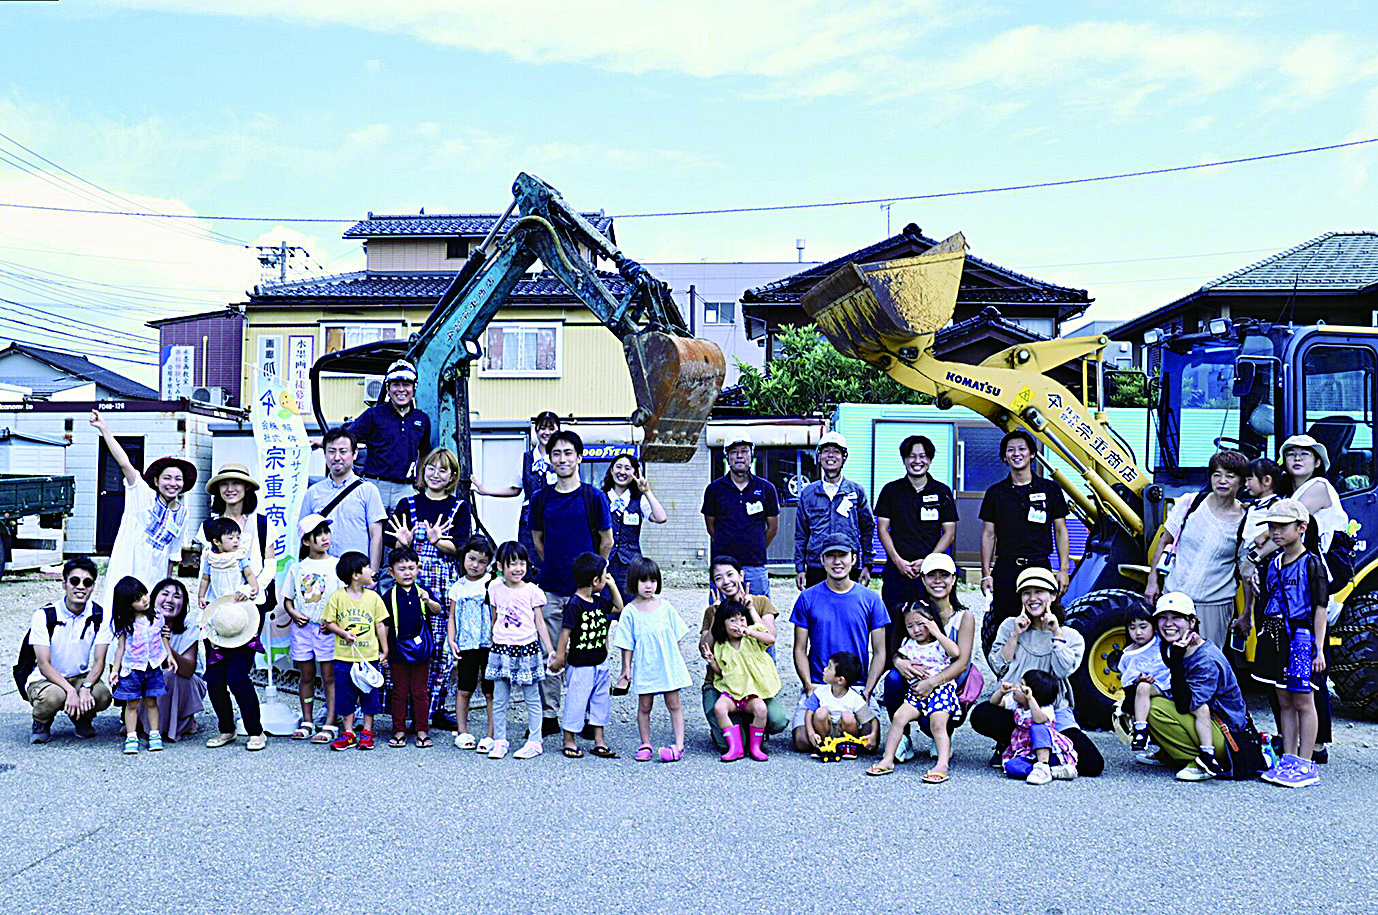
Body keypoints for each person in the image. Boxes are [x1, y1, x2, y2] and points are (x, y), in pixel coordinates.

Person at [971, 567, 1105, 777]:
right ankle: (1017, 745)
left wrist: (1056, 633)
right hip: (1015, 708)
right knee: (981, 715)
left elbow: (1063, 670)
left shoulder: (1070, 636)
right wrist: (1015, 635)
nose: (1032, 598)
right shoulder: (1009, 626)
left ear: (1052, 596)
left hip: (1053, 712)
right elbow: (998, 665)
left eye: (1039, 592)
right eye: (1026, 593)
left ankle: (1034, 753)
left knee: (1092, 764)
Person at [529, 429, 613, 736]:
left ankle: (589, 717)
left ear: (579, 458)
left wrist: (595, 577)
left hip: (587, 593)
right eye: (556, 454)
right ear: (549, 459)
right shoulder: (541, 498)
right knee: (550, 652)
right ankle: (550, 714)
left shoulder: (593, 497)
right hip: (551, 587)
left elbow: (606, 540)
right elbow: (539, 541)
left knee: (589, 655)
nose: (562, 459)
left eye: (568, 453)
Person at [386, 446, 470, 732]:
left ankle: (435, 708)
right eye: (431, 468)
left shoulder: (459, 507)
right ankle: (404, 707)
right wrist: (403, 541)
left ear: (452, 476)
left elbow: (460, 546)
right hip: (409, 583)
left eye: (443, 470)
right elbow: (396, 549)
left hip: (442, 585)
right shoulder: (406, 504)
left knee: (441, 648)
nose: (435, 474)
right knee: (406, 642)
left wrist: (437, 541)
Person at [1276, 433, 1347, 763]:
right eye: (1291, 454)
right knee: (1294, 668)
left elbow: (1284, 526)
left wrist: (1251, 554)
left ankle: (1315, 745)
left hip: (1316, 579)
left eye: (1306, 454)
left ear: (1318, 462)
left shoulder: (1317, 487)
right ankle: (1300, 743)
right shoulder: (1293, 492)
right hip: (1298, 580)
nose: (1298, 459)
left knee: (1312, 667)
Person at [1251, 499, 1327, 788]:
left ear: (1301, 527)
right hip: (1274, 633)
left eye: (1282, 526)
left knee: (1303, 699)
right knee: (1283, 698)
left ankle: (1306, 763)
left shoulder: (1312, 564)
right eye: (1272, 526)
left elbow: (1320, 606)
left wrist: (1318, 648)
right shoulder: (1272, 563)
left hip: (1301, 636)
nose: (1276, 532)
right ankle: (1289, 757)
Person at [789, 534, 888, 753]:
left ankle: (838, 739)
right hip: (819, 683)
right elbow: (799, 648)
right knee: (802, 741)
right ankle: (832, 739)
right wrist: (808, 686)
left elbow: (880, 652)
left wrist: (869, 690)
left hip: (857, 686)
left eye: (842, 555)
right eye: (830, 556)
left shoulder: (871, 599)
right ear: (822, 560)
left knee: (871, 742)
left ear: (853, 559)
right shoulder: (808, 597)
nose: (837, 562)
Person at [90, 410, 196, 609]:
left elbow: (173, 554)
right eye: (167, 478)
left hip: (155, 577)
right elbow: (124, 463)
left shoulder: (183, 513)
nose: (172, 483)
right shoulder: (142, 495)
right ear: (156, 481)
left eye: (178, 479)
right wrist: (104, 429)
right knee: (119, 617)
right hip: (127, 568)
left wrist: (167, 586)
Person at [1141, 592, 1251, 782]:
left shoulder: (1205, 659)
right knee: (1139, 698)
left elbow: (1188, 705)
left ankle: (1202, 761)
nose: (1168, 624)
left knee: (1154, 709)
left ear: (1192, 622)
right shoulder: (1175, 645)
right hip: (1207, 724)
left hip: (1225, 734)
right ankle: (1170, 753)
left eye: (1176, 618)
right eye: (1163, 618)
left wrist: (1176, 662)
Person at [1144, 449, 1248, 647]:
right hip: (1174, 597)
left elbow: (1246, 567)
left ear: (1242, 481)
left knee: (1205, 662)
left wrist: (1247, 612)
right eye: (1217, 475)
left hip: (1214, 605)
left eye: (1230, 476)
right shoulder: (1190, 502)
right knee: (1168, 660)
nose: (1222, 481)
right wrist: (1152, 582)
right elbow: (1164, 541)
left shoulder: (1245, 519)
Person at [979, 430, 1069, 649]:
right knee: (1006, 623)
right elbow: (989, 535)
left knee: (1044, 621)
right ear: (1004, 457)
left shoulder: (1050, 489)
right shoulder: (995, 493)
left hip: (1040, 565)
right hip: (1007, 567)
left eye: (1022, 449)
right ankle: (1008, 677)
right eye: (1011, 450)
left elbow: (1060, 530)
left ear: (1032, 454)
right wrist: (986, 574)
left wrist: (1063, 569)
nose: (1016, 454)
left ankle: (1041, 677)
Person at [879, 552, 977, 738]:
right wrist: (899, 662)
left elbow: (962, 662)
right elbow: (896, 648)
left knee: (929, 723)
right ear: (923, 580)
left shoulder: (964, 617)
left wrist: (931, 683)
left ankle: (943, 734)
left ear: (954, 579)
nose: (938, 581)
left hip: (948, 687)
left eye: (944, 575)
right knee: (892, 679)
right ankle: (902, 738)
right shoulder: (913, 612)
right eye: (931, 575)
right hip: (916, 681)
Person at [875, 434, 958, 648]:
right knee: (893, 624)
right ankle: (894, 671)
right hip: (897, 571)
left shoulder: (942, 492)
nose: (917, 461)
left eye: (922, 456)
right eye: (911, 456)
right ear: (904, 459)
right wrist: (898, 561)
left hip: (930, 573)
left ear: (930, 460)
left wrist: (928, 562)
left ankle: (932, 671)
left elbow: (949, 532)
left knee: (931, 621)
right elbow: (883, 529)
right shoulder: (891, 491)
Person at [698, 555, 789, 749]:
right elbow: (704, 648)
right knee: (726, 745)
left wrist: (750, 610)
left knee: (778, 720)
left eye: (730, 574)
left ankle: (751, 724)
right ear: (714, 583)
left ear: (741, 575)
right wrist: (715, 616)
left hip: (752, 682)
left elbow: (771, 637)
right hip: (721, 681)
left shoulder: (760, 602)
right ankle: (735, 727)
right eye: (719, 578)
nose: (726, 581)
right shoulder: (712, 610)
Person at [611, 557, 691, 762]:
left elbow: (677, 637)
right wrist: (626, 668)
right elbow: (626, 643)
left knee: (674, 704)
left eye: (653, 581)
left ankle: (679, 744)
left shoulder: (665, 606)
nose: (649, 586)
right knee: (644, 706)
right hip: (646, 665)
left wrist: (678, 663)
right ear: (633, 582)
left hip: (668, 663)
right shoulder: (629, 611)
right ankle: (645, 743)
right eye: (643, 581)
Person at [866, 605, 959, 780]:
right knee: (899, 717)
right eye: (910, 626)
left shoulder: (940, 643)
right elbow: (897, 657)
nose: (916, 630)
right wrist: (900, 661)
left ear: (930, 622)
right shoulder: (908, 645)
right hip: (917, 693)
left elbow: (955, 652)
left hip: (941, 692)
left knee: (938, 725)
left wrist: (936, 632)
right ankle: (887, 759)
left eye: (920, 624)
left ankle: (942, 764)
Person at [25, 557, 112, 743]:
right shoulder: (44, 615)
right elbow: (44, 664)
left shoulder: (100, 616)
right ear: (64, 583)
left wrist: (86, 687)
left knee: (102, 695)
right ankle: (41, 721)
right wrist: (70, 691)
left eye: (87, 582)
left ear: (93, 587)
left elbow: (99, 662)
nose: (81, 586)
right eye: (74, 581)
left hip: (78, 677)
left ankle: (82, 718)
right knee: (54, 696)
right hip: (45, 679)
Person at [548, 552, 624, 759]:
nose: (607, 578)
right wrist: (560, 657)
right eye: (604, 575)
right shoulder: (575, 604)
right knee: (576, 701)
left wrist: (612, 585)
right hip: (580, 665)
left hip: (600, 663)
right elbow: (566, 632)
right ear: (594, 580)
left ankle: (599, 740)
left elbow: (619, 607)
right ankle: (569, 740)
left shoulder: (598, 602)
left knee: (601, 702)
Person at [484, 541, 554, 761]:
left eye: (521, 563)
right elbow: (493, 616)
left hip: (527, 648)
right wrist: (491, 641)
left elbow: (540, 622)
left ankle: (535, 741)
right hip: (501, 648)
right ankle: (500, 740)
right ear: (500, 566)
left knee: (532, 697)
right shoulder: (494, 587)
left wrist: (550, 649)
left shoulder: (533, 591)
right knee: (500, 698)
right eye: (512, 564)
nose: (517, 568)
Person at [473, 410, 560, 580]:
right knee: (530, 563)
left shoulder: (560, 459)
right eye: (542, 428)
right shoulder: (526, 458)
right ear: (536, 430)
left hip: (555, 516)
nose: (546, 432)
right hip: (529, 519)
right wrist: (485, 490)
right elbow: (515, 489)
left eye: (551, 428)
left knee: (554, 562)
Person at [282, 514, 341, 744]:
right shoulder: (297, 568)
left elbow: (342, 596)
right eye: (318, 535)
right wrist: (294, 614)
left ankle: (329, 721)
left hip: (327, 629)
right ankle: (307, 720)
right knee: (306, 675)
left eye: (326, 532)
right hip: (302, 629)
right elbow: (288, 599)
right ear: (306, 541)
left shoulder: (336, 564)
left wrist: (333, 622)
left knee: (329, 676)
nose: (325, 538)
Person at [322, 551, 389, 751]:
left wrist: (385, 649)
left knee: (369, 694)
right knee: (345, 695)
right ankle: (348, 732)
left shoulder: (374, 598)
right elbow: (329, 622)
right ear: (355, 575)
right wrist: (342, 633)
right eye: (367, 567)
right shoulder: (338, 597)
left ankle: (368, 731)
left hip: (369, 657)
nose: (371, 571)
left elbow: (379, 625)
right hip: (343, 657)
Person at [348, 359, 433, 513]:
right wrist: (322, 442)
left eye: (406, 384)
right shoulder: (373, 415)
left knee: (405, 534)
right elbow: (346, 439)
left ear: (414, 389)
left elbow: (424, 452)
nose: (401, 390)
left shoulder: (422, 419)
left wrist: (419, 484)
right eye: (395, 384)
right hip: (375, 486)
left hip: (406, 489)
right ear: (388, 389)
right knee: (371, 534)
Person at [298, 427, 386, 576]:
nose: (337, 457)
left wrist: (373, 573)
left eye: (343, 451)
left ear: (355, 454)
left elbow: (376, 535)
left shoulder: (368, 490)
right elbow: (302, 534)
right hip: (321, 576)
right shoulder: (313, 493)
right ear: (324, 454)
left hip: (357, 575)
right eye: (331, 451)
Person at [795, 432, 875, 589]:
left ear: (844, 457)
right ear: (819, 457)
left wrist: (867, 564)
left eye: (836, 452)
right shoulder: (808, 493)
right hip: (816, 566)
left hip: (847, 565)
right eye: (826, 451)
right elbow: (801, 534)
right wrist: (799, 568)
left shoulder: (856, 491)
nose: (830, 456)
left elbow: (868, 529)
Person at [701, 437, 780, 596]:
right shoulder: (714, 490)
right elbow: (711, 526)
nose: (739, 456)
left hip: (755, 565)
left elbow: (772, 528)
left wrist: (755, 545)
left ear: (751, 456)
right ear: (727, 457)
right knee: (721, 613)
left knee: (758, 613)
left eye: (744, 451)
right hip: (723, 565)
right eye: (734, 452)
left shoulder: (766, 489)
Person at [382, 546, 443, 748]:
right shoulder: (389, 595)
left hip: (421, 651)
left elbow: (438, 609)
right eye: (401, 569)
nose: (407, 573)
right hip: (398, 651)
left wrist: (428, 600)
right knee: (399, 691)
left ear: (418, 568)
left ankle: (422, 730)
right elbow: (385, 624)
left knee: (420, 691)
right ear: (391, 572)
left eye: (411, 568)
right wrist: (385, 650)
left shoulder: (422, 591)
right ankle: (398, 730)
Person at [706, 600, 780, 762]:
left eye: (742, 619)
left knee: (761, 709)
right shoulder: (721, 644)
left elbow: (770, 639)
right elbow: (722, 671)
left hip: (752, 693)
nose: (738, 624)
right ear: (723, 624)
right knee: (719, 707)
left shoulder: (753, 637)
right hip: (731, 693)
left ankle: (756, 747)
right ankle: (736, 747)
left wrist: (750, 631)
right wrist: (712, 662)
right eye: (732, 620)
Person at [199, 462, 271, 620]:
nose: (230, 489)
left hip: (252, 603)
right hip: (216, 602)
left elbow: (270, 565)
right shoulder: (208, 525)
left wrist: (251, 589)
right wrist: (202, 598)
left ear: (246, 487)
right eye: (224, 484)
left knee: (248, 645)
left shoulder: (262, 523)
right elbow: (204, 570)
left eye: (236, 483)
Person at [138, 578, 206, 743]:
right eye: (165, 594)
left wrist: (164, 643)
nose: (169, 600)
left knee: (170, 676)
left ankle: (174, 724)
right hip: (146, 678)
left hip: (186, 682)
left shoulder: (189, 626)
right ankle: (142, 722)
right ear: (153, 599)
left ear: (183, 605)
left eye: (176, 597)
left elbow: (188, 669)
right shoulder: (139, 624)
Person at [109, 576, 170, 755]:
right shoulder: (124, 623)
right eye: (137, 599)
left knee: (152, 701)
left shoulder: (157, 617)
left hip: (153, 666)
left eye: (144, 594)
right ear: (127, 605)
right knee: (132, 703)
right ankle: (131, 736)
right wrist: (115, 670)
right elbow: (120, 648)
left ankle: (154, 734)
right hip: (132, 668)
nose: (144, 600)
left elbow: (162, 638)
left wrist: (169, 656)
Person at [448, 534, 496, 752]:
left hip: (489, 644)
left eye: (482, 561)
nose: (476, 565)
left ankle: (492, 733)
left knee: (490, 690)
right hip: (466, 645)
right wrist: (452, 640)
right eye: (472, 559)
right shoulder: (458, 587)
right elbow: (452, 617)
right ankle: (462, 731)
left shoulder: (492, 584)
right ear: (464, 557)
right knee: (464, 688)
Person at [201, 591, 267, 751]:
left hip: (244, 614)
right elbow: (205, 573)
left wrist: (248, 589)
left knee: (237, 678)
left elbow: (268, 570)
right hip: (217, 615)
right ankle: (226, 729)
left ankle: (255, 731)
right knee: (214, 679)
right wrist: (202, 596)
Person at [991, 669, 1079, 784]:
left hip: (1048, 753)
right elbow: (995, 702)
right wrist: (1001, 692)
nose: (1016, 686)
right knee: (1011, 766)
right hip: (1027, 754)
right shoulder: (1017, 704)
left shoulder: (1046, 709)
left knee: (1037, 727)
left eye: (1021, 685)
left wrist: (1030, 699)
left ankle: (1043, 766)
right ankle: (1051, 772)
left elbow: (1039, 720)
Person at [601, 453, 668, 593]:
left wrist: (647, 491)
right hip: (605, 562)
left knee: (631, 602)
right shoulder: (600, 497)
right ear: (611, 470)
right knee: (606, 604)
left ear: (635, 472)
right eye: (618, 467)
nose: (622, 472)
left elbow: (661, 517)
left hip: (631, 564)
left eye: (627, 468)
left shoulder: (639, 500)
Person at [1235, 457, 1287, 635]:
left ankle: (1248, 612)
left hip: (1258, 554)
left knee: (1252, 585)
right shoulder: (1255, 504)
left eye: (1250, 479)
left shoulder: (1275, 505)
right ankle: (1247, 612)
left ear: (1266, 481)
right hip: (1246, 550)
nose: (1246, 484)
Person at [1116, 603, 1171, 753]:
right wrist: (1138, 679)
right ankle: (1140, 730)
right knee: (1143, 687)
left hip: (1171, 685)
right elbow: (1127, 680)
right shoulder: (1128, 654)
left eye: (1143, 627)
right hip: (1151, 688)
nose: (1138, 632)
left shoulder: (1161, 641)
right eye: (1132, 628)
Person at [802, 652, 875, 754]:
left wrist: (874, 735)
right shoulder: (820, 692)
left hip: (844, 731)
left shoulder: (855, 698)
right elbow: (809, 713)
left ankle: (848, 746)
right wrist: (811, 733)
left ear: (840, 680)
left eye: (829, 668)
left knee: (848, 716)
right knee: (820, 713)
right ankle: (822, 744)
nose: (825, 669)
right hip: (826, 729)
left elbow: (872, 719)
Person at [197, 517, 260, 608]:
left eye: (238, 537)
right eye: (231, 538)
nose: (236, 541)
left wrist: (255, 587)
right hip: (215, 599)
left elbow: (249, 574)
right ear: (217, 542)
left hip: (235, 598)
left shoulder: (239, 556)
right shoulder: (210, 558)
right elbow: (205, 578)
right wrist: (201, 596)